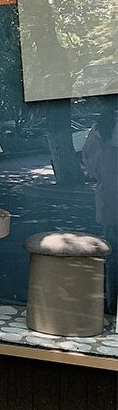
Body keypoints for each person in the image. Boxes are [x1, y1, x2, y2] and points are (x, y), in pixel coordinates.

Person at [82, 97, 118, 320]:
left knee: (113, 259)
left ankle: (113, 309)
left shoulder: (98, 131)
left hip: (110, 201)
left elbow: (90, 165)